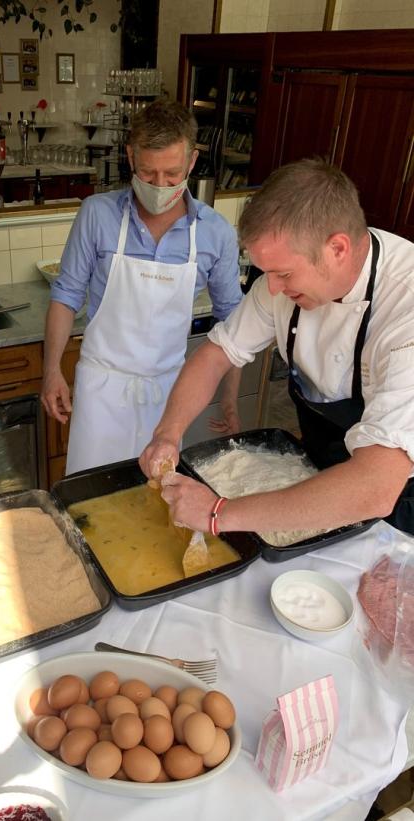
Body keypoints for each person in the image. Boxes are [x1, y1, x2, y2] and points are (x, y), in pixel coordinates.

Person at [140, 158, 414, 537]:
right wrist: (168, 434)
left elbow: (375, 485)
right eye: (265, 273)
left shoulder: (406, 307)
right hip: (319, 470)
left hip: (398, 500)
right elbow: (216, 355)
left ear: (337, 248)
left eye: (283, 274)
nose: (271, 290)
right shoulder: (279, 285)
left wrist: (217, 513)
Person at [40, 99, 243, 475]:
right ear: (131, 156)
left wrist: (229, 399)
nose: (161, 185)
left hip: (169, 395)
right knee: (91, 498)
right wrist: (52, 370)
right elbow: (66, 295)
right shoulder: (98, 215)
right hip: (101, 390)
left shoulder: (214, 233)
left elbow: (232, 324)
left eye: (172, 173)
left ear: (192, 162)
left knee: (156, 498)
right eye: (149, 174)